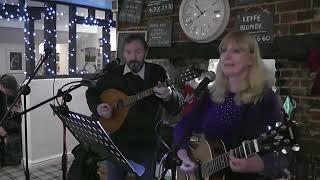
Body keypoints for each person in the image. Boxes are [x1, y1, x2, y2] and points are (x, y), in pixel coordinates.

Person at [173, 31, 288, 180]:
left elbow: (282, 156)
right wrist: (183, 154)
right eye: (223, 51)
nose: (227, 56)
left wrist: (260, 165)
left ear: (251, 59)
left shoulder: (265, 99)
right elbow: (183, 126)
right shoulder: (212, 95)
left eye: (236, 51)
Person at [86, 34, 184, 180]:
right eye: (128, 52)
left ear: (146, 52)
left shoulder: (157, 73)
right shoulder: (113, 74)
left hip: (146, 144)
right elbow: (92, 91)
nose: (133, 57)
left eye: (138, 52)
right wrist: (98, 107)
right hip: (117, 142)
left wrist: (168, 95)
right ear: (124, 53)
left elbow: (176, 107)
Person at [0, 74, 22, 166]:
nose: (11, 93)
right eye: (9, 90)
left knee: (20, 127)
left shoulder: (5, 93)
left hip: (3, 120)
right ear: (1, 85)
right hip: (1, 124)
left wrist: (13, 109)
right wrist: (4, 135)